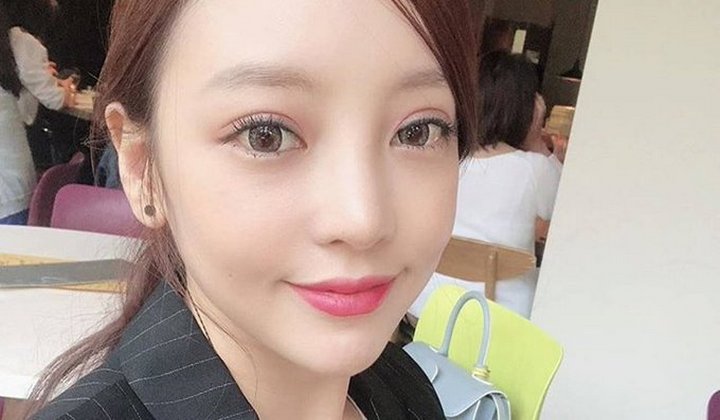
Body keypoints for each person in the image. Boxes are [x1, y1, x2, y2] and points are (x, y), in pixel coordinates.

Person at [28, 0, 481, 419]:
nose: (363, 221)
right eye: (266, 135)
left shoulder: (404, 387)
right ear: (141, 164)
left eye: (418, 132)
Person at [410, 51, 562, 319]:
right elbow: (563, 211)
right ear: (527, 110)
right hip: (499, 315)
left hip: (429, 306)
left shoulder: (446, 156)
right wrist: (537, 141)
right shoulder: (533, 168)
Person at [0, 0, 75, 225]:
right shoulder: (17, 43)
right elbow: (30, 111)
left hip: (9, 195)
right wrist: (59, 86)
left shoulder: (15, 43)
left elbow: (26, 112)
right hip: (12, 192)